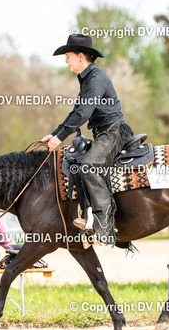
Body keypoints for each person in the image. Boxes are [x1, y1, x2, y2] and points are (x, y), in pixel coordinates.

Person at [41, 34, 133, 246]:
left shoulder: (96, 79)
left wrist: (60, 138)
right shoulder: (87, 79)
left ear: (81, 56)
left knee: (90, 166)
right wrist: (54, 134)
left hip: (114, 131)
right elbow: (76, 111)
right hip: (104, 132)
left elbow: (83, 113)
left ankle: (104, 225)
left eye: (68, 56)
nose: (66, 60)